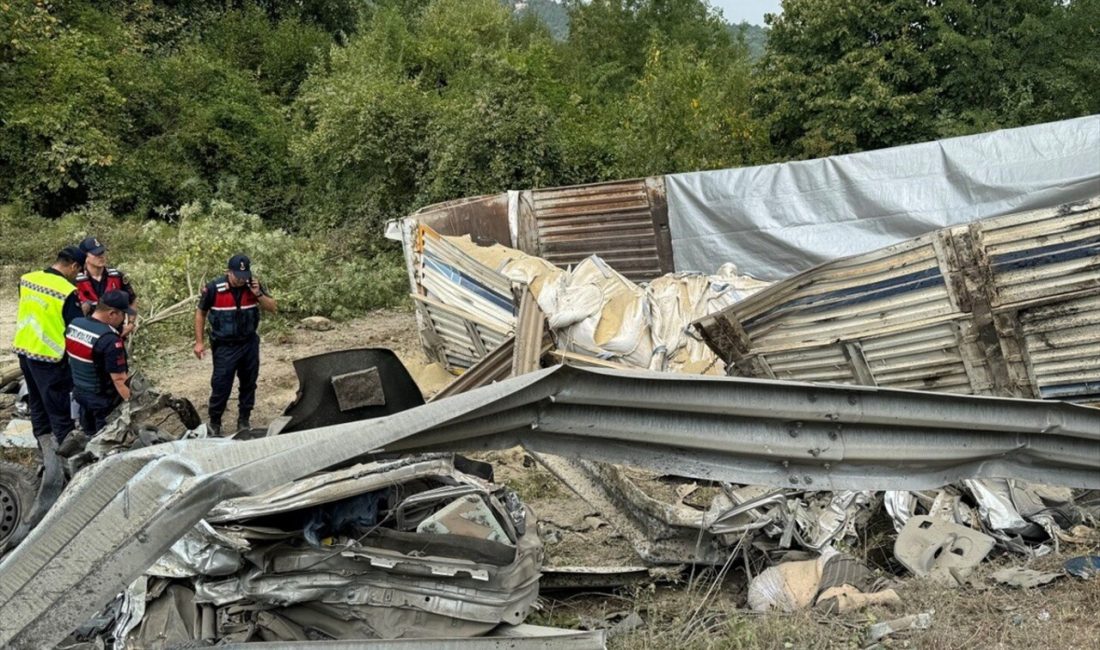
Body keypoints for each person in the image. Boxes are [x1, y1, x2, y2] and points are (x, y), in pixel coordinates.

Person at [194, 254, 276, 435]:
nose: (241, 279)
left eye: (244, 275)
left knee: (248, 382)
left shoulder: (253, 286)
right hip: (224, 345)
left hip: (249, 343)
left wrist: (259, 294)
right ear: (228, 272)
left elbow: (272, 307)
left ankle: (244, 420)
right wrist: (199, 342)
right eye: (237, 275)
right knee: (221, 384)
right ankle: (215, 422)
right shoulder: (214, 288)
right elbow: (201, 313)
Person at [12, 246, 86, 445]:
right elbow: (75, 327)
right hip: (49, 358)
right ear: (73, 266)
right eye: (78, 271)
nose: (77, 276)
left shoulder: (27, 279)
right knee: (59, 410)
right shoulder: (67, 291)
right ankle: (65, 454)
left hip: (25, 349)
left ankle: (44, 447)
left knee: (37, 403)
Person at [65, 290, 134, 436]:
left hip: (80, 392)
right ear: (112, 313)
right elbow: (119, 379)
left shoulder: (75, 324)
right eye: (123, 315)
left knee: (88, 434)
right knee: (105, 440)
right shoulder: (110, 340)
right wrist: (132, 404)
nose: (124, 320)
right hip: (102, 400)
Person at [75, 236, 137, 338]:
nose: (101, 256)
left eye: (102, 253)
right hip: (86, 334)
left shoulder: (117, 276)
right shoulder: (76, 279)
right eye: (96, 254)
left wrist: (130, 324)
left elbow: (132, 299)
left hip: (114, 333)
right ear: (85, 257)